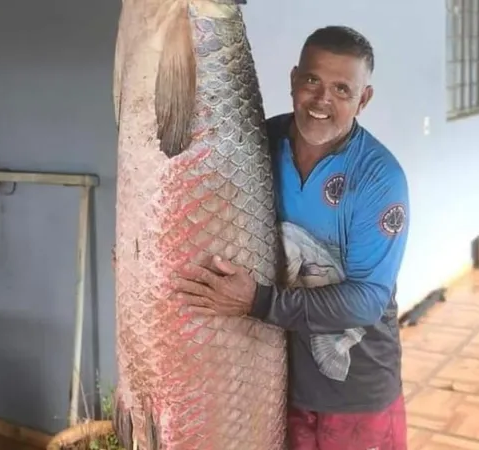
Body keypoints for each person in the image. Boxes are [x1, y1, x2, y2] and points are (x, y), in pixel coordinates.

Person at [175, 25, 410, 449]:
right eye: (312, 81)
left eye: (342, 89)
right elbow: (204, 203)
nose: (323, 100)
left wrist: (257, 301)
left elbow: (368, 299)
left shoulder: (379, 177)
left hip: (357, 391)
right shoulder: (261, 143)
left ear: (364, 99)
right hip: (276, 378)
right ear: (293, 80)